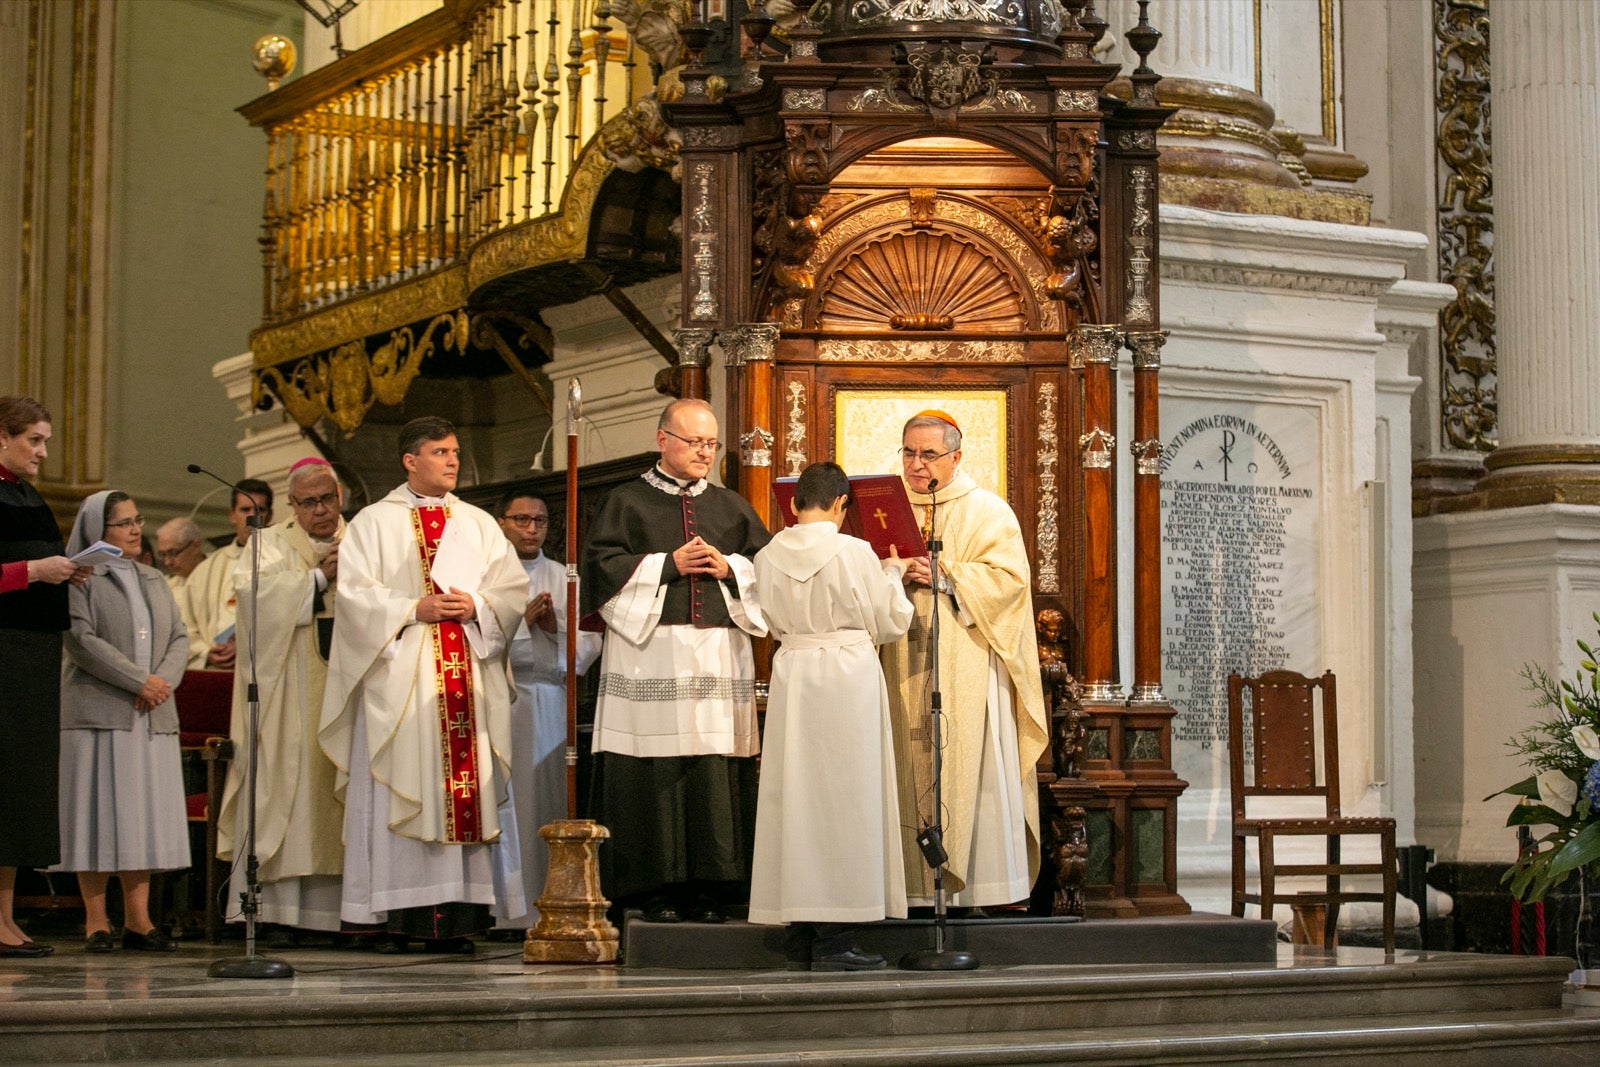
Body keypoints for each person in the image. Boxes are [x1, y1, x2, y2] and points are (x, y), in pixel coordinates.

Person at [319, 417, 529, 950]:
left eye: (455, 450)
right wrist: (416, 607)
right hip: (403, 675)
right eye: (440, 451)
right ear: (410, 461)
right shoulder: (372, 523)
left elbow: (510, 589)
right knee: (399, 788)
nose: (453, 460)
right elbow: (354, 599)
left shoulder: (479, 523)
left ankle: (459, 918)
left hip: (467, 673)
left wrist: (478, 605)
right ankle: (392, 917)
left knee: (463, 791)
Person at [581, 397, 771, 924]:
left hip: (716, 656)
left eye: (711, 444)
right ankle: (650, 889)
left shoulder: (732, 506)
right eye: (694, 442)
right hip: (649, 654)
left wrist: (729, 566)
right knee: (655, 772)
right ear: (662, 439)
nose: (704, 453)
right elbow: (600, 568)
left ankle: (712, 888)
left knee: (712, 768)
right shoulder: (625, 501)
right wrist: (668, 563)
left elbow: (766, 569)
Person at [747, 462, 914, 971]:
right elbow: (889, 621)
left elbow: (765, 619)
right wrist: (894, 573)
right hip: (846, 675)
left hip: (794, 671)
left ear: (795, 504)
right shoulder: (853, 550)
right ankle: (838, 935)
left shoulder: (768, 554)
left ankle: (799, 920)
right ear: (842, 504)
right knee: (846, 796)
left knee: (795, 794)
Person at [882, 410, 1049, 910]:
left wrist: (943, 573)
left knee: (969, 769)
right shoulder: (882, 509)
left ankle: (975, 891)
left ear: (955, 457)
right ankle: (905, 891)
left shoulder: (989, 511)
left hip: (968, 662)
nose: (916, 464)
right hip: (897, 657)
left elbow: (1011, 585)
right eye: (908, 452)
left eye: (928, 454)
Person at [216, 458, 348, 938]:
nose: (320, 511)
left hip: (347, 691)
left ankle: (342, 918)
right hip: (288, 694)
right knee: (289, 792)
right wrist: (317, 579)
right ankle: (278, 915)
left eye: (327, 499)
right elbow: (254, 602)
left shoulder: (364, 539)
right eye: (308, 502)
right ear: (291, 506)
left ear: (341, 497)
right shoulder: (267, 543)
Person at [56, 490, 191, 952]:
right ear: (99, 529)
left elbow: (178, 636)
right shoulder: (79, 578)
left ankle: (139, 920)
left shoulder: (153, 578)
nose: (136, 529)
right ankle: (96, 921)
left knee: (142, 818)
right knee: (93, 818)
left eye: (138, 520)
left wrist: (162, 683)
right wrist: (139, 682)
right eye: (123, 522)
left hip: (151, 712)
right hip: (99, 711)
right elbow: (80, 639)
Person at [0, 396, 91, 959]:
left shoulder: (26, 494)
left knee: (21, 792)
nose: (43, 451)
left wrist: (67, 571)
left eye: (45, 439)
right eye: (34, 439)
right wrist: (37, 570)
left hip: (33, 654)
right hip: (3, 652)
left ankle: (4, 918)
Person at [492, 490, 600, 933]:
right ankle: (504, 912)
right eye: (522, 519)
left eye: (540, 521)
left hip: (552, 702)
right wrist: (520, 622)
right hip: (504, 701)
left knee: (550, 805)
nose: (532, 528)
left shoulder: (563, 576)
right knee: (508, 807)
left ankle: (552, 907)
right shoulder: (491, 576)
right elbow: (475, 638)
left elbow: (589, 645)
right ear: (501, 523)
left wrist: (555, 628)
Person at [178, 479, 273, 670]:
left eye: (259, 510)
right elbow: (183, 625)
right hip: (218, 672)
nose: (253, 518)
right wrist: (206, 652)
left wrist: (248, 646)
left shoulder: (283, 560)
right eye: (245, 510)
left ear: (270, 515)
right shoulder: (207, 570)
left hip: (265, 668)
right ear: (232, 515)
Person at [155, 517, 206, 594]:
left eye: (173, 553)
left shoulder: (219, 578)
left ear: (195, 546)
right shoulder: (167, 590)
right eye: (163, 554)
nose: (167, 562)